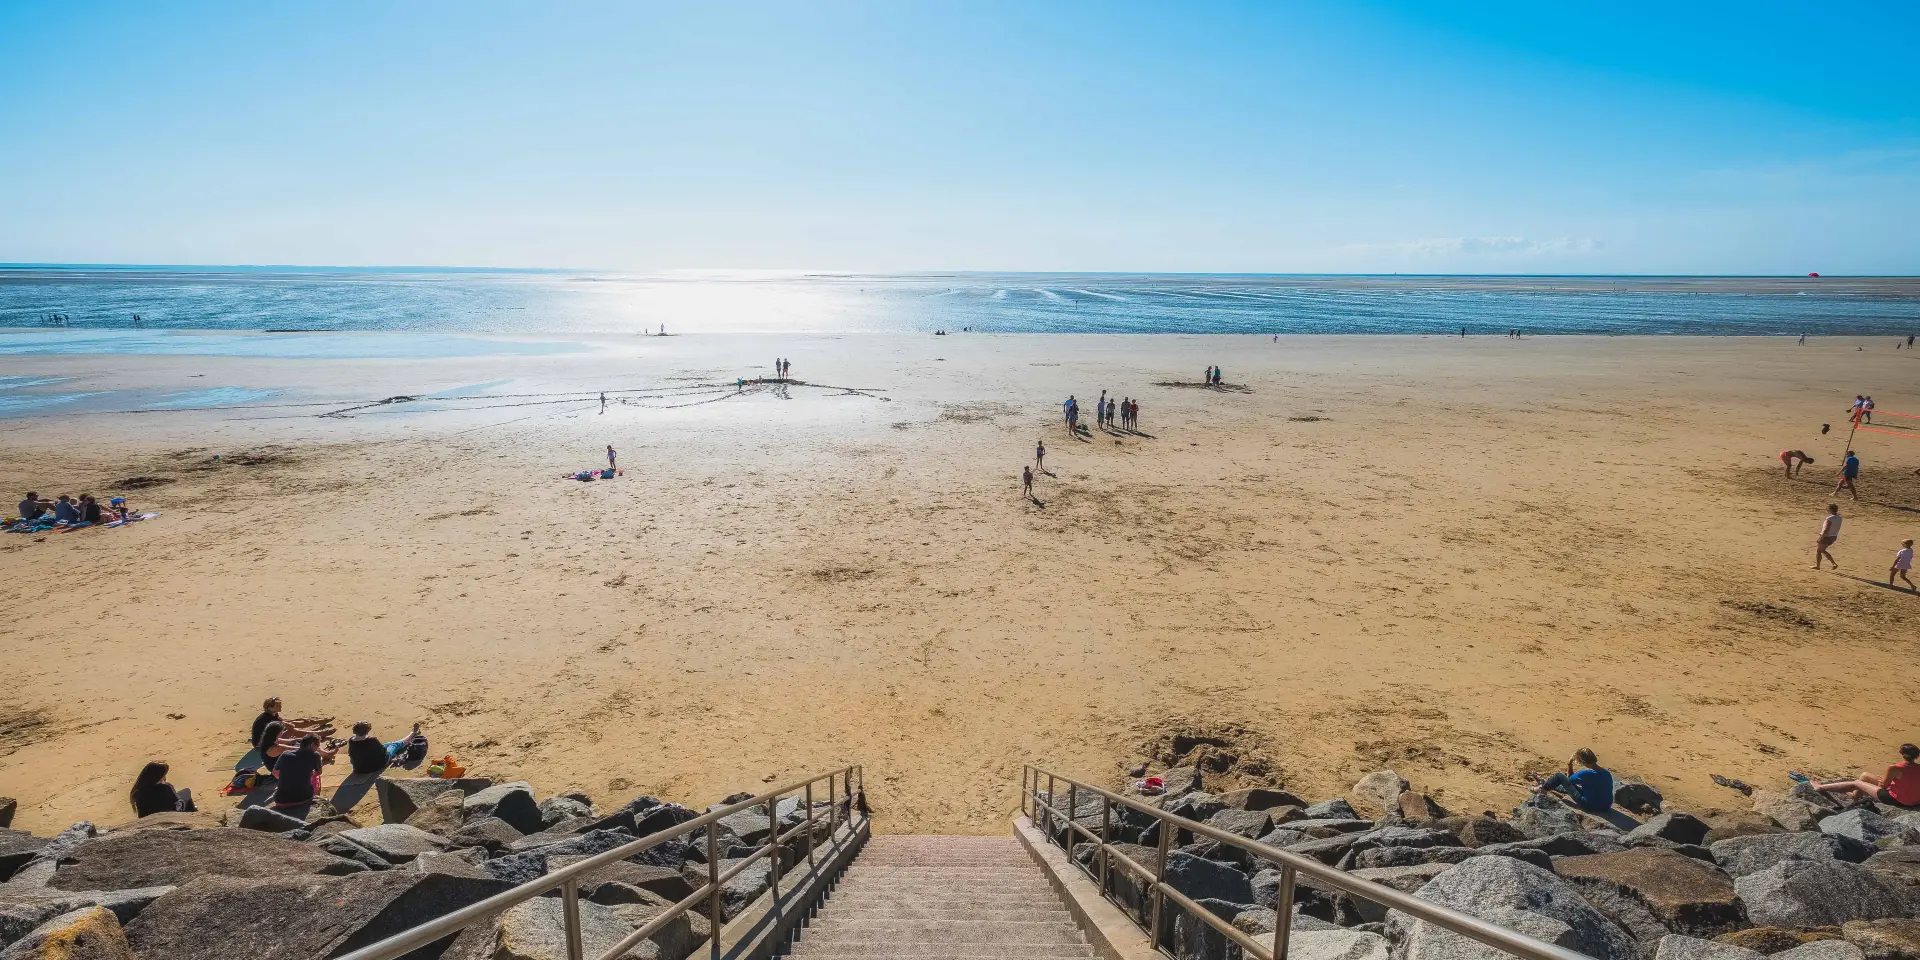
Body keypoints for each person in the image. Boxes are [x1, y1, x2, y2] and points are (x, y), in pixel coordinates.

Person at [1812, 744, 1920, 810]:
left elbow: (1883, 785)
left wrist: (1882, 781)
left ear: (1901, 753)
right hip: (1915, 801)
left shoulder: (1895, 768)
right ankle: (1854, 796)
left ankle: (1819, 787)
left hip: (1896, 800)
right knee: (1865, 776)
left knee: (1856, 783)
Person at [1535, 748, 1614, 814]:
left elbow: (1569, 780)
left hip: (1590, 805)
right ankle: (1546, 783)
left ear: (1582, 762)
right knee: (1575, 788)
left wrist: (1570, 763)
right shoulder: (1606, 772)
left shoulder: (1586, 773)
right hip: (1606, 807)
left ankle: (1542, 788)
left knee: (1559, 776)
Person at [271, 735, 333, 809]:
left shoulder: (285, 754)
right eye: (317, 746)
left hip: (280, 801)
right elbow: (318, 772)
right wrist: (308, 774)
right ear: (312, 745)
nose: (317, 749)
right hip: (303, 799)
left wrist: (288, 779)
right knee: (315, 778)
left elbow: (274, 772)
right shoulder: (315, 755)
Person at [130, 761, 195, 817]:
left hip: (146, 817)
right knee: (187, 792)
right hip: (168, 816)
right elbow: (178, 805)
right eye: (163, 775)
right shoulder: (166, 787)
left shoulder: (138, 790)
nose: (165, 777)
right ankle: (194, 816)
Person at [1816, 503, 1842, 569]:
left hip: (1826, 537)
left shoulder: (1829, 518)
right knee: (1822, 550)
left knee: (1819, 550)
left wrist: (1821, 538)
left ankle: (1819, 566)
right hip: (1833, 536)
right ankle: (1832, 563)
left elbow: (1826, 529)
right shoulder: (1839, 517)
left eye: (1827, 508)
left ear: (1831, 510)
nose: (1826, 510)